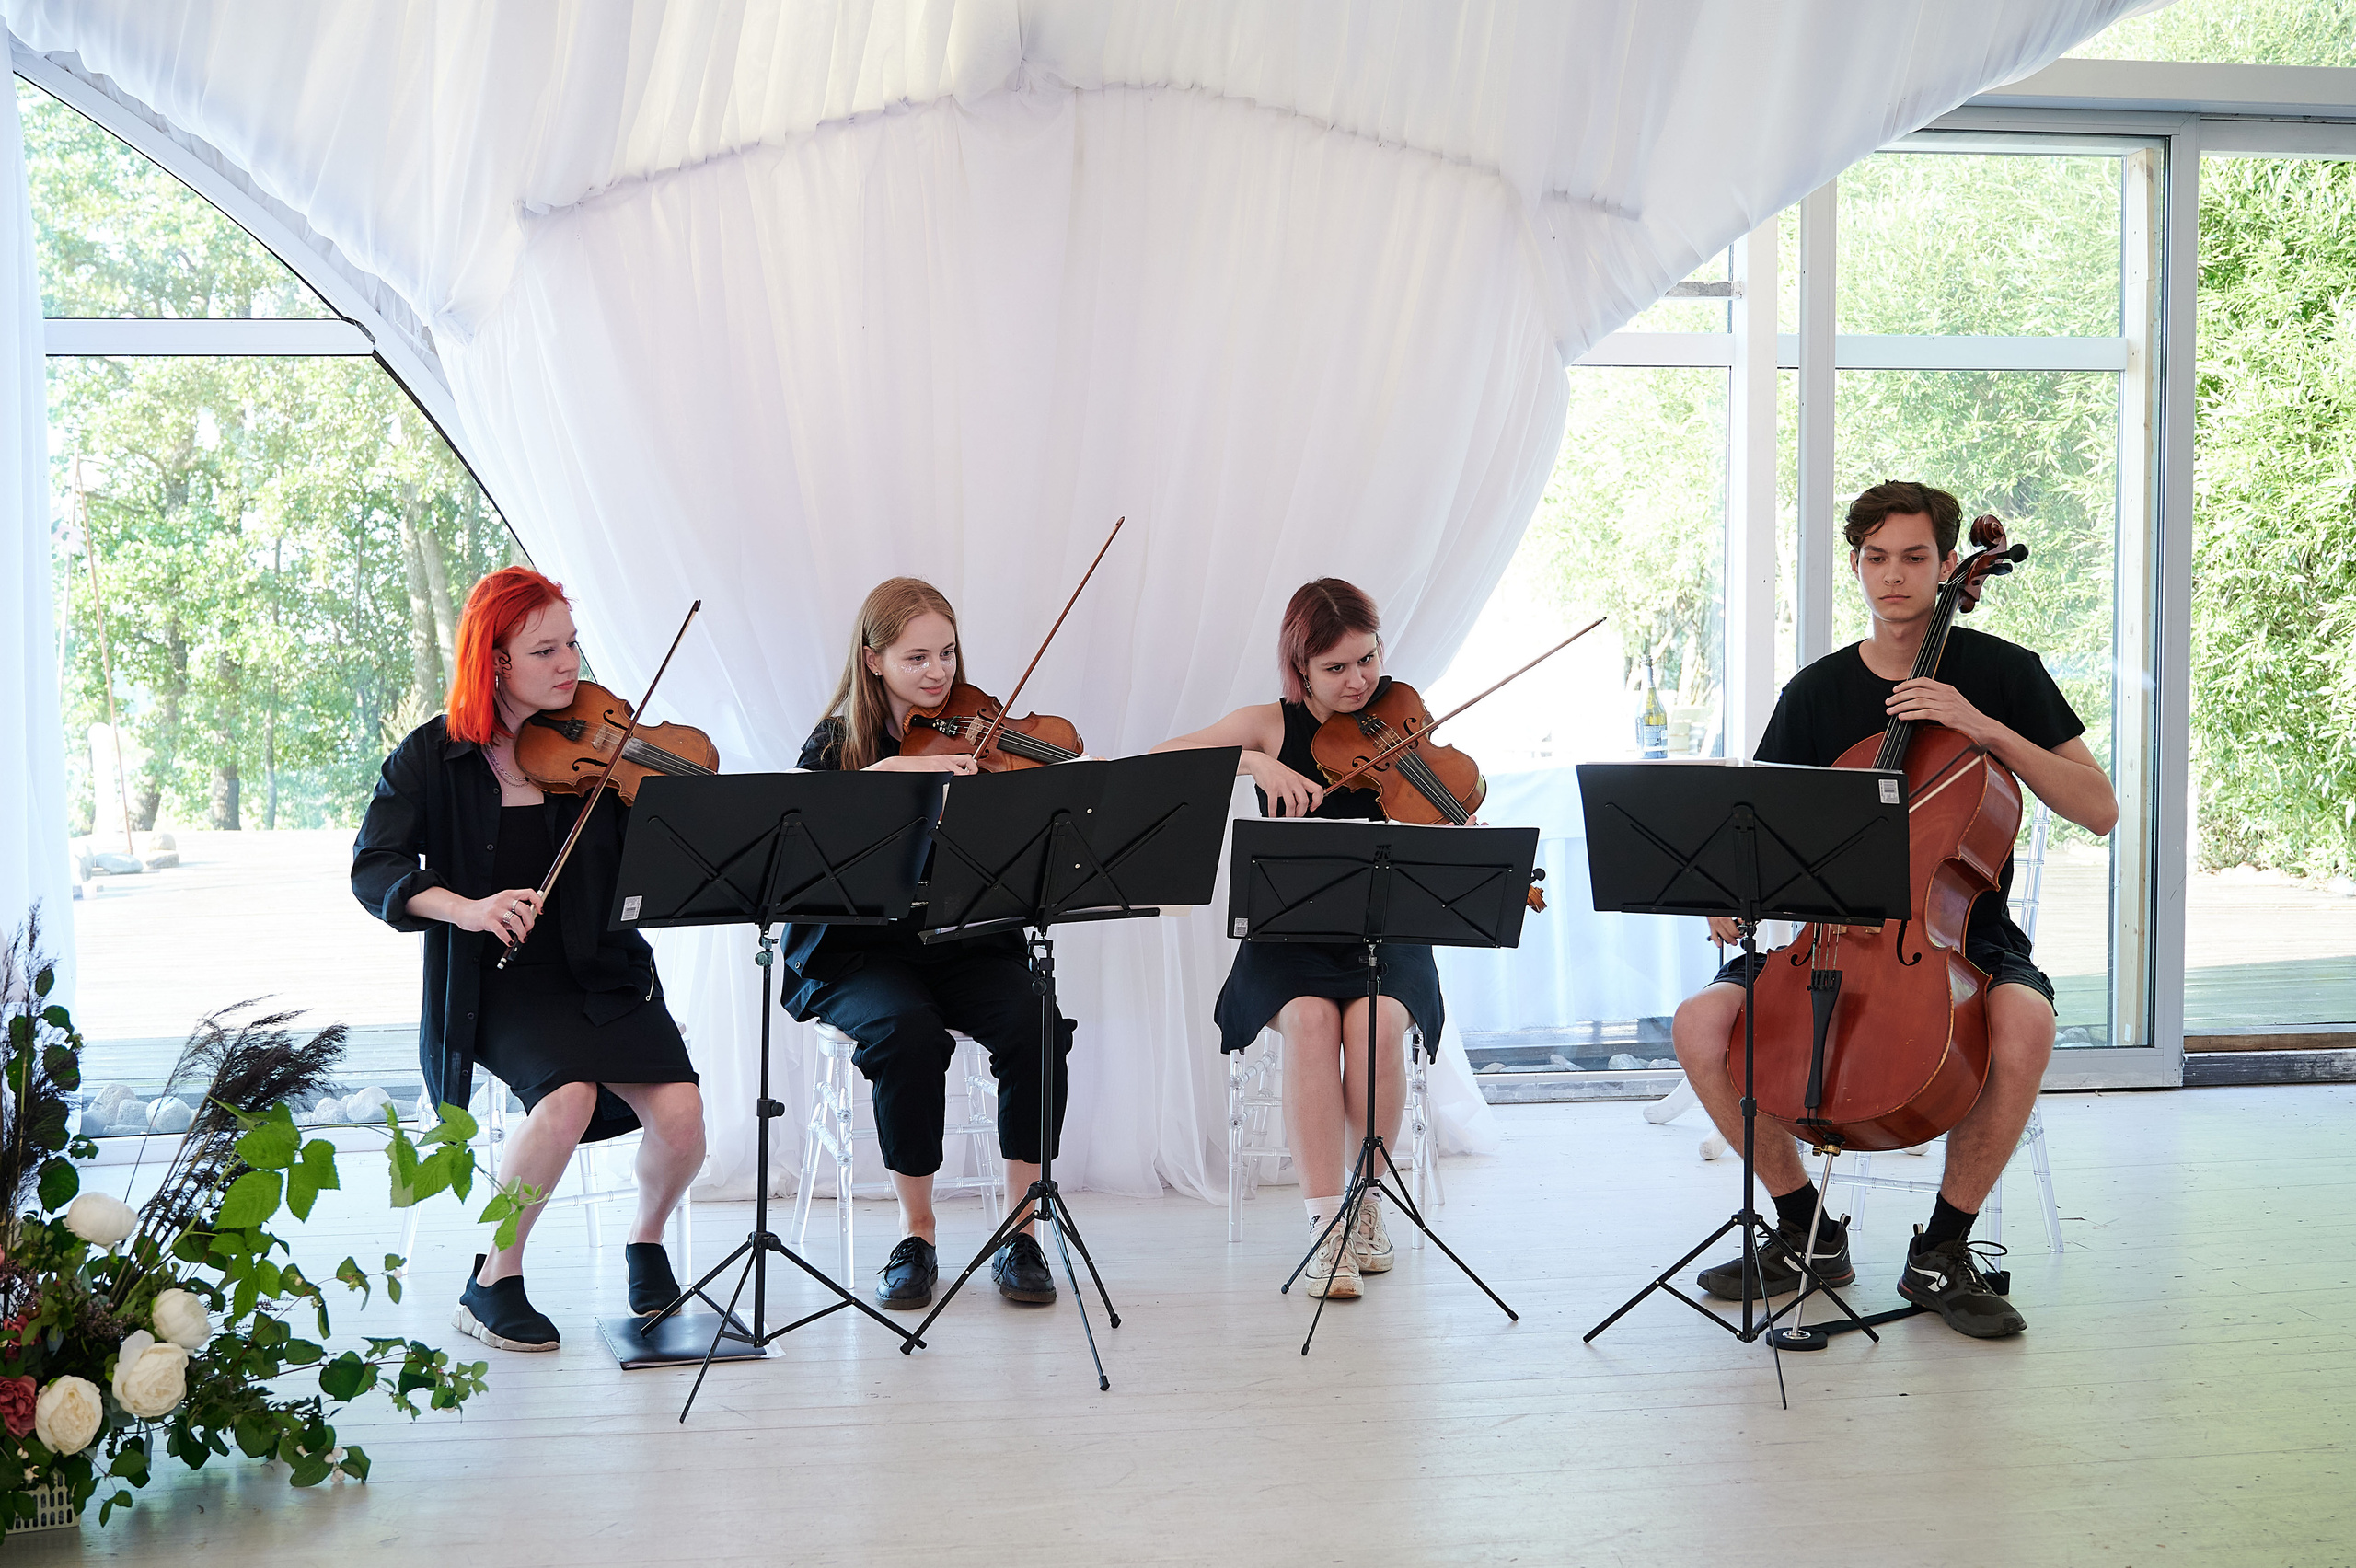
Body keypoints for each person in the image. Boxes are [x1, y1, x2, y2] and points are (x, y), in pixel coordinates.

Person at [1670, 482, 2118, 1340]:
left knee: (2025, 1023)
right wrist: (1729, 902)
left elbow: (2098, 805)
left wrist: (1981, 726)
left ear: (1950, 566)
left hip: (1959, 931)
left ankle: (1943, 1249)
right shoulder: (1817, 693)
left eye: (1916, 558)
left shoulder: (2003, 674)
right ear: (1856, 566)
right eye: (1877, 559)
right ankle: (1806, 1230)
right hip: (1824, 931)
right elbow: (1758, 832)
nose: (1894, 577)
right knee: (1698, 1024)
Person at [352, 567, 707, 1353]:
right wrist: (467, 909)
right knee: (567, 1098)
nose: (569, 664)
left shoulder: (602, 749)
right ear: (497, 662)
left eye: (572, 643)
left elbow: (672, 853)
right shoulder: (433, 757)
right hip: (500, 981)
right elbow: (373, 868)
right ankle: (493, 1279)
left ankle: (645, 1240)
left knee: (683, 1120)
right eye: (545, 650)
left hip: (604, 965)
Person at [782, 577, 1072, 1313]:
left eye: (947, 653)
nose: (940, 673)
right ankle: (918, 1234)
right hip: (859, 953)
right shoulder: (836, 746)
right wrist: (890, 776)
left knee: (1035, 1021)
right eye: (917, 658)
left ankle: (1022, 1232)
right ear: (874, 661)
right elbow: (807, 851)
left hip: (968, 940)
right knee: (908, 1034)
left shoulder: (984, 735)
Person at [1150, 579, 1445, 1299]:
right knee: (1313, 1021)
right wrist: (1249, 763)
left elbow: (1438, 816)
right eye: (1336, 668)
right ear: (1300, 669)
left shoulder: (1400, 718)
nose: (1359, 682)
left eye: (1368, 661)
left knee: (1374, 1021)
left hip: (1388, 931)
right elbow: (1156, 763)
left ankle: (1367, 1207)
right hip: (1290, 937)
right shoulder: (1268, 725)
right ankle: (1325, 1225)